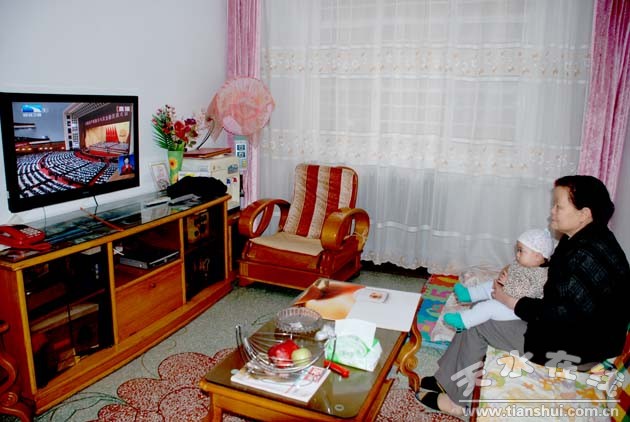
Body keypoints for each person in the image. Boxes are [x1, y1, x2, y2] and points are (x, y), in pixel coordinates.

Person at [417, 175, 630, 416]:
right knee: (482, 305)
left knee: (480, 323)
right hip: (571, 333)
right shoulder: (587, 239)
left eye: (559, 206)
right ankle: (447, 380)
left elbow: (561, 314)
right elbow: (555, 285)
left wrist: (512, 302)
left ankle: (459, 402)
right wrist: (517, 277)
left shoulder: (587, 254)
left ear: (584, 214)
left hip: (576, 350)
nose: (552, 211)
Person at [443, 228, 554, 330]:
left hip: (516, 309)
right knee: (490, 285)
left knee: (489, 307)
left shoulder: (541, 276)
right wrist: (505, 275)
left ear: (537, 256)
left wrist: (508, 283)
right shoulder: (525, 263)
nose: (517, 254)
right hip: (508, 292)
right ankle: (468, 294)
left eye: (521, 250)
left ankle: (463, 321)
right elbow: (512, 269)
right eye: (517, 250)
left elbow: (527, 293)